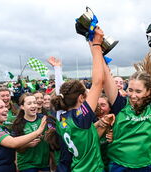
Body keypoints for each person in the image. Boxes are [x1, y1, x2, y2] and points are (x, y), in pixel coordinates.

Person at [102, 23, 151, 171]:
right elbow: (105, 77)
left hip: (144, 166)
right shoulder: (120, 104)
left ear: (148, 92)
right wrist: (97, 50)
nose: (133, 95)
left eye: (138, 91)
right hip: (118, 165)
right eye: (130, 89)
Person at [51, 26, 107, 171]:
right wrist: (96, 45)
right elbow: (97, 83)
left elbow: (83, 134)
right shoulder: (80, 117)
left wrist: (100, 124)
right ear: (81, 98)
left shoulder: (62, 119)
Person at [0, 98, 47, 172]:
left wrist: (27, 145)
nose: (6, 109)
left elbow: (6, 149)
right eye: (1, 107)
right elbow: (13, 143)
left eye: (5, 107)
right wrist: (38, 131)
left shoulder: (2, 128)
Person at [12, 93, 51, 172]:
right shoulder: (18, 124)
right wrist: (27, 145)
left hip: (44, 163)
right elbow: (15, 147)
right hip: (27, 163)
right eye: (29, 104)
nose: (33, 106)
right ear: (22, 107)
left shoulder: (44, 119)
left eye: (34, 103)